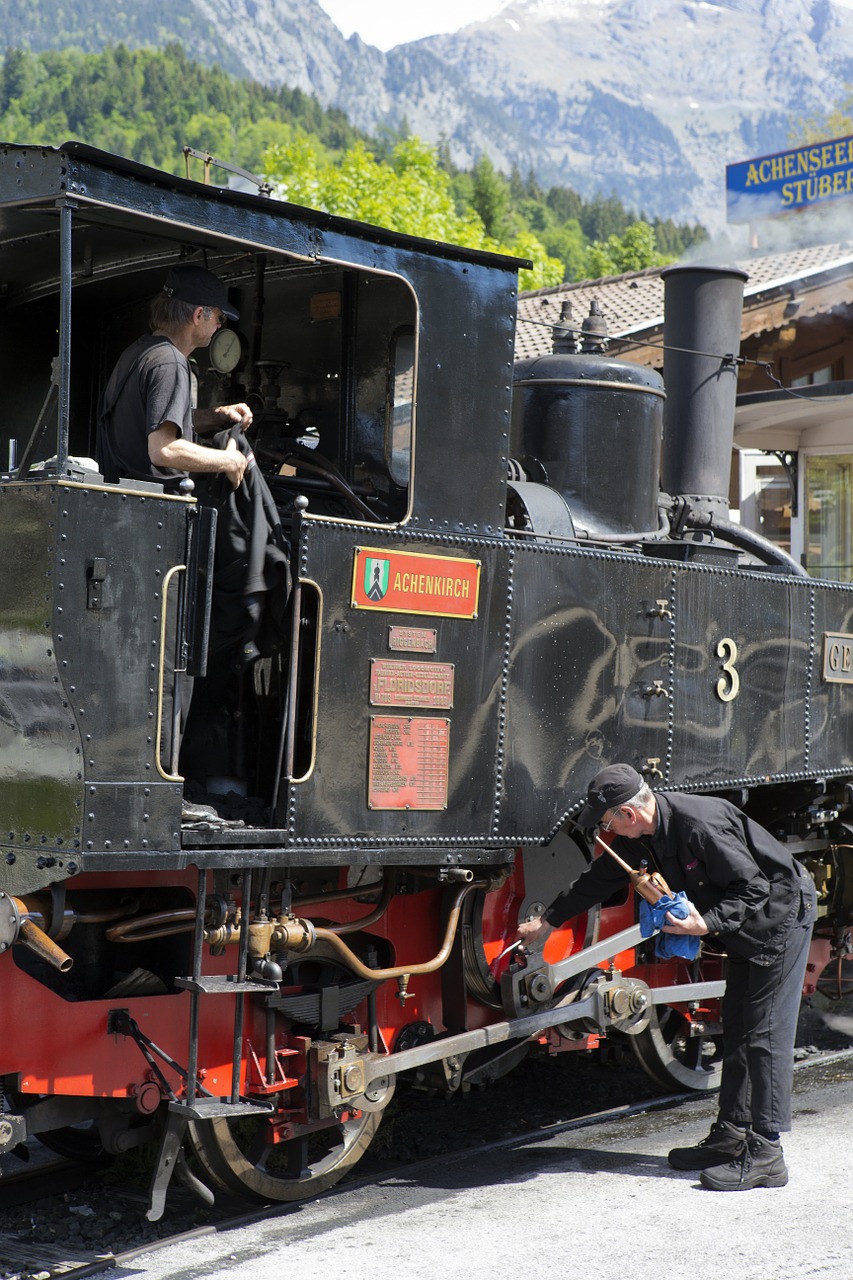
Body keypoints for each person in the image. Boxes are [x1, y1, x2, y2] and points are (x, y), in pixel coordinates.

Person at [516, 763, 816, 1191]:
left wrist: (705, 923)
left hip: (779, 918)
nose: (606, 830)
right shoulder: (641, 839)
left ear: (628, 815)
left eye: (607, 822)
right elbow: (597, 881)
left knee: (764, 1035)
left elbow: (755, 888)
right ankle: (732, 1136)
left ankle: (767, 1152)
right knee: (738, 1030)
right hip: (743, 924)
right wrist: (548, 921)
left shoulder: (699, 825)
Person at [97, 263, 253, 491]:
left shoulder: (137, 353)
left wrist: (216, 416)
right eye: (219, 317)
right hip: (151, 507)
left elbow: (155, 420)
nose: (220, 325)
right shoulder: (170, 361)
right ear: (199, 315)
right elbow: (164, 449)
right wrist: (231, 460)